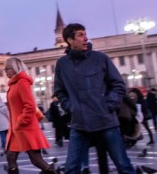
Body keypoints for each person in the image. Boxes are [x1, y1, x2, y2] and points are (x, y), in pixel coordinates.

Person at [54, 23, 135, 174]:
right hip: (79, 124)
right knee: (71, 168)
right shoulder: (62, 64)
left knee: (123, 165)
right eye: (80, 35)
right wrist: (71, 107)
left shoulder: (100, 58)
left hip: (106, 121)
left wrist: (108, 105)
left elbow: (118, 84)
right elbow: (59, 91)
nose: (86, 38)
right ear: (70, 40)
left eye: (85, 34)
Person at [4, 57, 54, 173]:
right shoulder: (12, 85)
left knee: (36, 160)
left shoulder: (22, 82)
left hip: (25, 128)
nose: (5, 71)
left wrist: (21, 121)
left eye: (7, 68)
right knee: (10, 156)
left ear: (15, 68)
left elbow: (30, 105)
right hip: (16, 129)